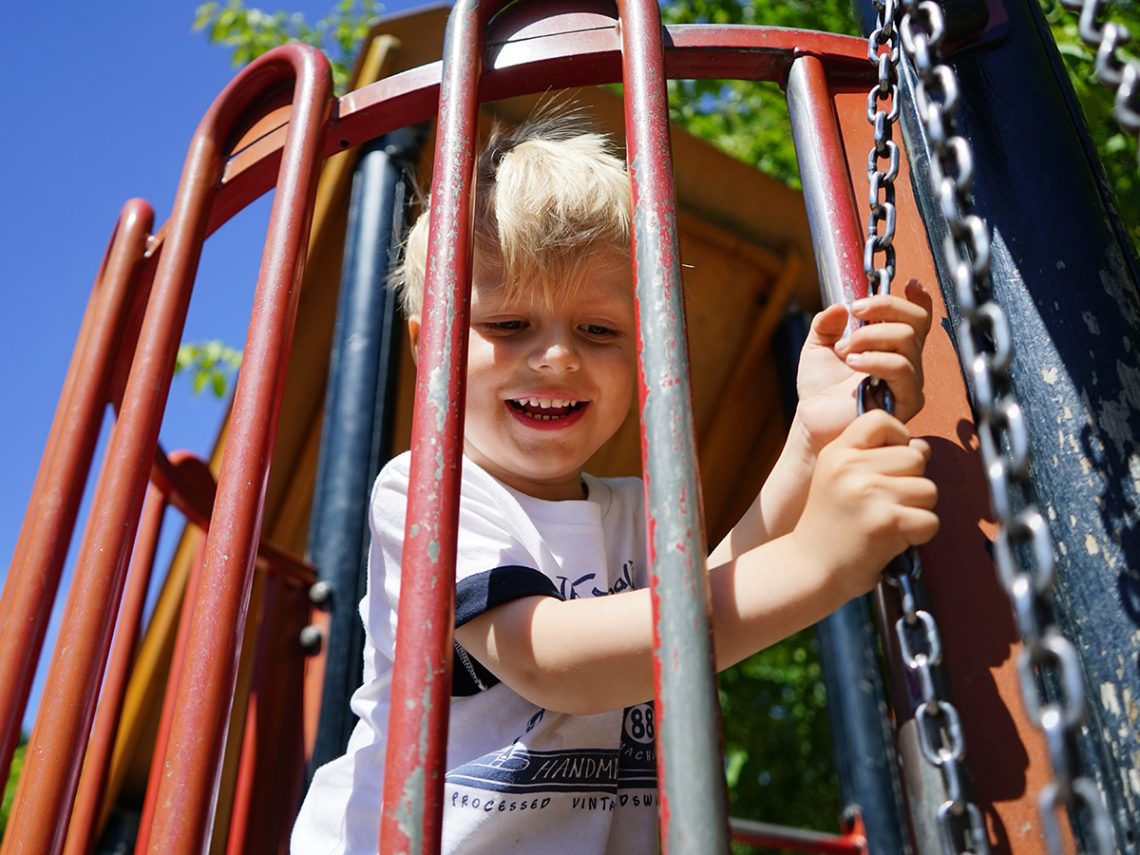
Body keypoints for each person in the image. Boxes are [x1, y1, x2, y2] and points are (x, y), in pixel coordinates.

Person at [292, 113, 937, 854]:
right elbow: (551, 660)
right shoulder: (427, 493)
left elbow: (706, 601)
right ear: (427, 343)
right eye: (508, 325)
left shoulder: (629, 506)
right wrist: (816, 567)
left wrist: (810, 436)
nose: (558, 358)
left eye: (599, 331)